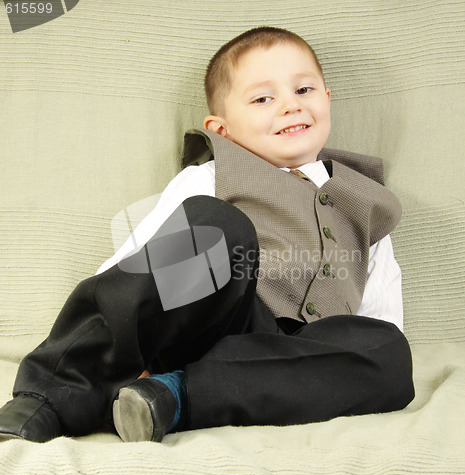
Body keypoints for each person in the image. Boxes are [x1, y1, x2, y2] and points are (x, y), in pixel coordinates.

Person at [0, 27, 414, 444]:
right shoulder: (211, 178)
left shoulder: (366, 202)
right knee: (216, 227)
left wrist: (368, 354)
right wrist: (131, 349)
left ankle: (172, 396)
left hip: (302, 360)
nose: (291, 105)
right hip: (218, 324)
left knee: (390, 352)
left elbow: (381, 319)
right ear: (223, 129)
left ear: (326, 98)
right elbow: (138, 266)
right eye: (263, 99)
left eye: (304, 89)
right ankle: (50, 396)